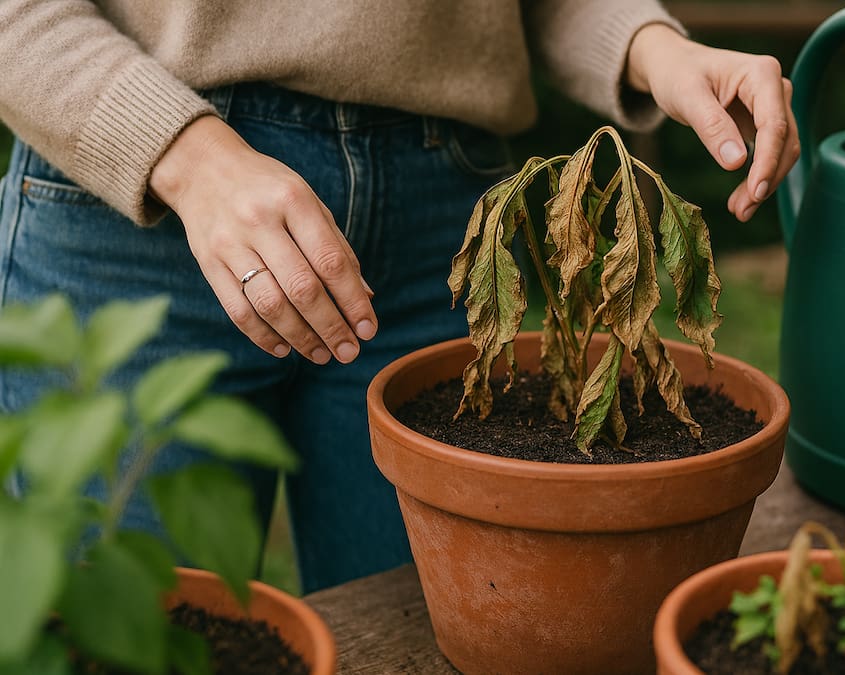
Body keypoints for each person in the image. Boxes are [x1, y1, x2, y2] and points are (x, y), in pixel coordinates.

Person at [0, 0, 800, 593]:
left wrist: (652, 48)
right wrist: (186, 156)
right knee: (134, 627)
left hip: (436, 225)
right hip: (140, 210)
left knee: (420, 632)